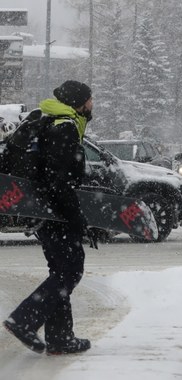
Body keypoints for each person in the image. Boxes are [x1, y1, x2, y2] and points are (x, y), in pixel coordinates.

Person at [2, 80, 95, 355]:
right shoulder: (64, 127)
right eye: (90, 100)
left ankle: (60, 337)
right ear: (79, 102)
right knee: (70, 270)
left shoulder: (45, 118)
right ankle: (23, 320)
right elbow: (59, 181)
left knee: (61, 271)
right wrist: (75, 218)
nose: (92, 104)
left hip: (40, 208)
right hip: (55, 212)